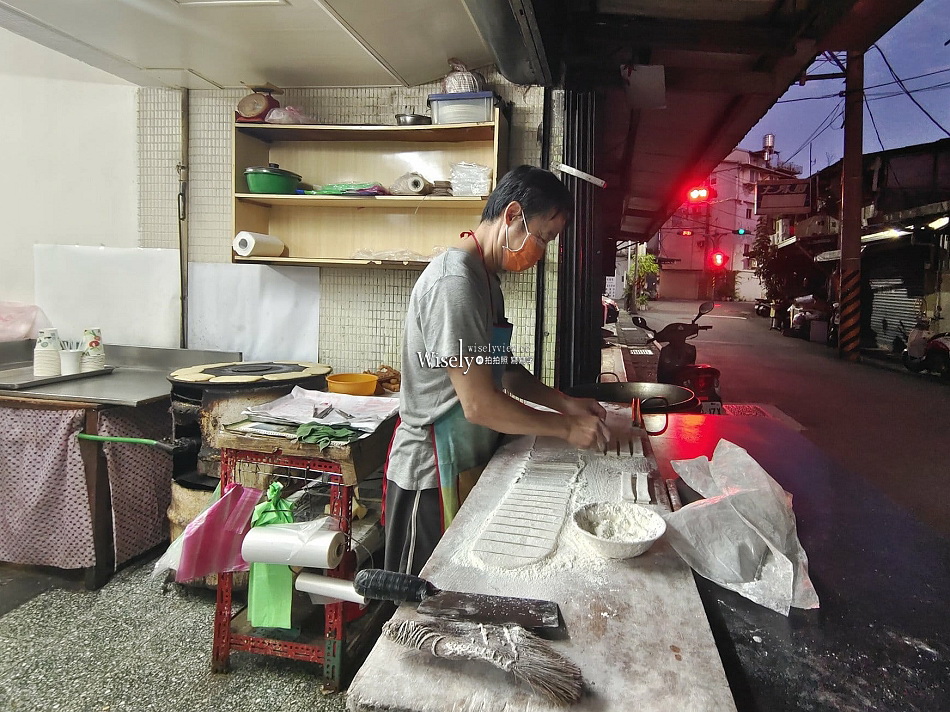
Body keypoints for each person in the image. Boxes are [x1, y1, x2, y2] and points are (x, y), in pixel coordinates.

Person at [383, 165, 611, 575]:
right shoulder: (454, 283)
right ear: (511, 216)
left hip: (468, 457)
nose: (541, 250)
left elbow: (503, 369)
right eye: (543, 237)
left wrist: (567, 405)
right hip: (431, 472)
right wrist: (565, 428)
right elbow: (479, 404)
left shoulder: (487, 283)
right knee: (420, 601)